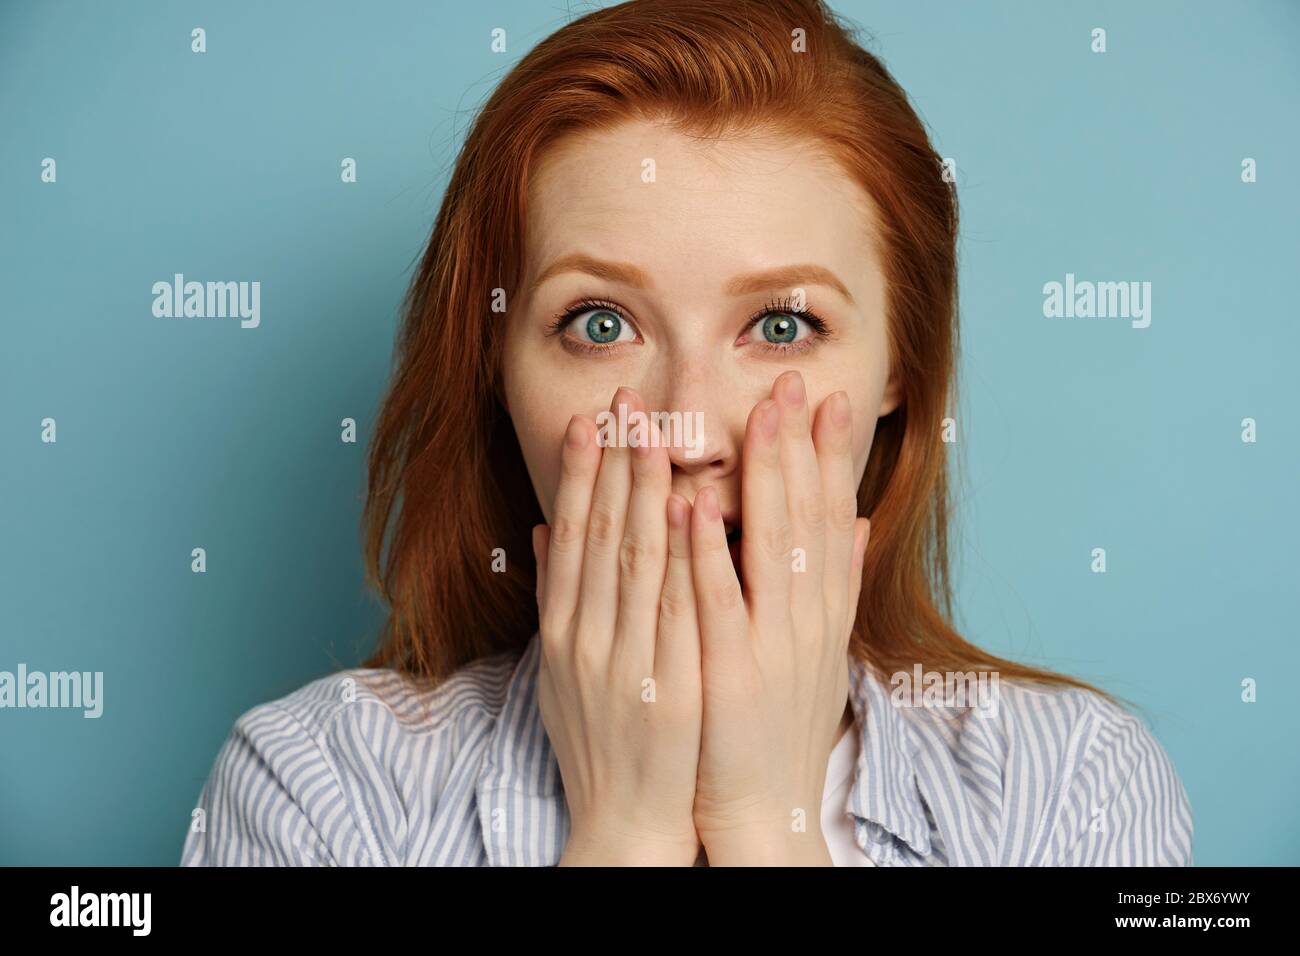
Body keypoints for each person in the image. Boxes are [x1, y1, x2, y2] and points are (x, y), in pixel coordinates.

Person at [181, 0, 1193, 867]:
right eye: (600, 323)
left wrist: (767, 825)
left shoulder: (1077, 789)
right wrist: (623, 834)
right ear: (496, 366)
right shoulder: (316, 788)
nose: (688, 427)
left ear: (898, 370)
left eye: (782, 325)